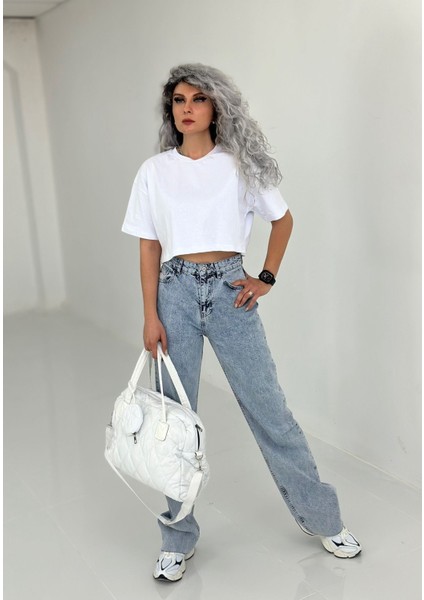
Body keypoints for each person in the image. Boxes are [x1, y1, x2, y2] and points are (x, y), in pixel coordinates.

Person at [122, 63, 361, 582]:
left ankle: (324, 520)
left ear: (216, 108)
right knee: (172, 423)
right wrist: (150, 314)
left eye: (198, 99)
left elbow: (283, 220)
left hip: (232, 293)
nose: (187, 108)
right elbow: (149, 246)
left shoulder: (239, 166)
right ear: (171, 110)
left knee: (270, 410)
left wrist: (265, 277)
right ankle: (176, 538)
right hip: (174, 294)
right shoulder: (154, 171)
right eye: (179, 100)